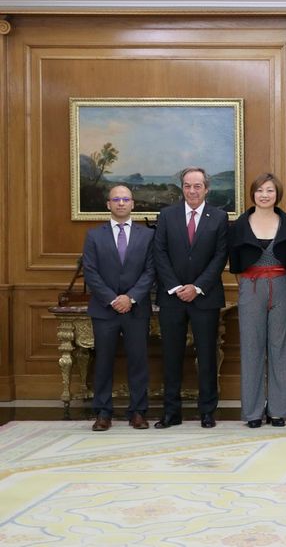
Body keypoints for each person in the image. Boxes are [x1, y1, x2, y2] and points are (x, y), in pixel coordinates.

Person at [153, 167, 229, 429]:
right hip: (171, 297)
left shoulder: (219, 217)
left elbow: (220, 257)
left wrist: (196, 287)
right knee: (171, 356)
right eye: (187, 186)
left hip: (205, 297)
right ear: (181, 188)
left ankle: (207, 411)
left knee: (206, 356)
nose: (192, 191)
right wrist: (175, 287)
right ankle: (171, 413)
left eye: (197, 186)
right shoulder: (166, 215)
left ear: (207, 188)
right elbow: (159, 254)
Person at [81, 185, 156, 431]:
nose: (121, 203)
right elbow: (90, 272)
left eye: (125, 199)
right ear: (108, 205)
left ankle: (138, 412)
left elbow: (150, 271)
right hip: (105, 310)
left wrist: (131, 297)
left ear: (133, 203)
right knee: (103, 361)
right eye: (116, 199)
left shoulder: (147, 236)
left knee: (138, 361)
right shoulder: (94, 235)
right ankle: (103, 412)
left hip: (136, 309)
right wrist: (113, 299)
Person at [228, 173, 286, 428]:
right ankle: (253, 412)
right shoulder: (239, 225)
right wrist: (248, 286)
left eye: (269, 190)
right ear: (253, 194)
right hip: (251, 286)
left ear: (277, 194)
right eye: (260, 190)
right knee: (252, 348)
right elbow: (235, 264)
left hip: (282, 286)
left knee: (281, 348)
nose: (264, 195)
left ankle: (278, 410)